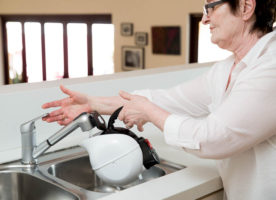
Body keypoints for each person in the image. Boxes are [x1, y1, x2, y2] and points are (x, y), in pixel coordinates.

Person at [42, 0, 276, 199]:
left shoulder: (270, 67)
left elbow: (212, 138)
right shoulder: (226, 70)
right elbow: (166, 100)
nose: (205, 20)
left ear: (246, 6)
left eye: (211, 7)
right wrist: (93, 104)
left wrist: (149, 112)